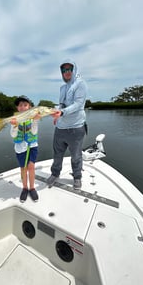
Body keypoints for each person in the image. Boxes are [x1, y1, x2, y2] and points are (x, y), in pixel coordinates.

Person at [47, 60, 87, 189]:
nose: (67, 72)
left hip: (76, 128)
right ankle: (55, 174)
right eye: (64, 70)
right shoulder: (62, 87)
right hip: (60, 128)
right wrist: (56, 115)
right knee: (57, 154)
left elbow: (78, 104)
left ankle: (77, 177)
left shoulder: (80, 84)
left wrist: (62, 112)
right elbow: (61, 104)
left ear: (74, 70)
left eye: (69, 69)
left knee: (76, 156)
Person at [10, 95, 40, 202]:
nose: (22, 107)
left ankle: (32, 188)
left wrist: (36, 121)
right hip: (20, 148)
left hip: (32, 146)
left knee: (31, 167)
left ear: (29, 107)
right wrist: (14, 126)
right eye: (20, 105)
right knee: (23, 168)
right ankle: (24, 188)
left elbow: (34, 132)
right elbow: (13, 135)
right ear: (17, 108)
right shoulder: (15, 119)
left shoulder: (33, 119)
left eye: (25, 105)